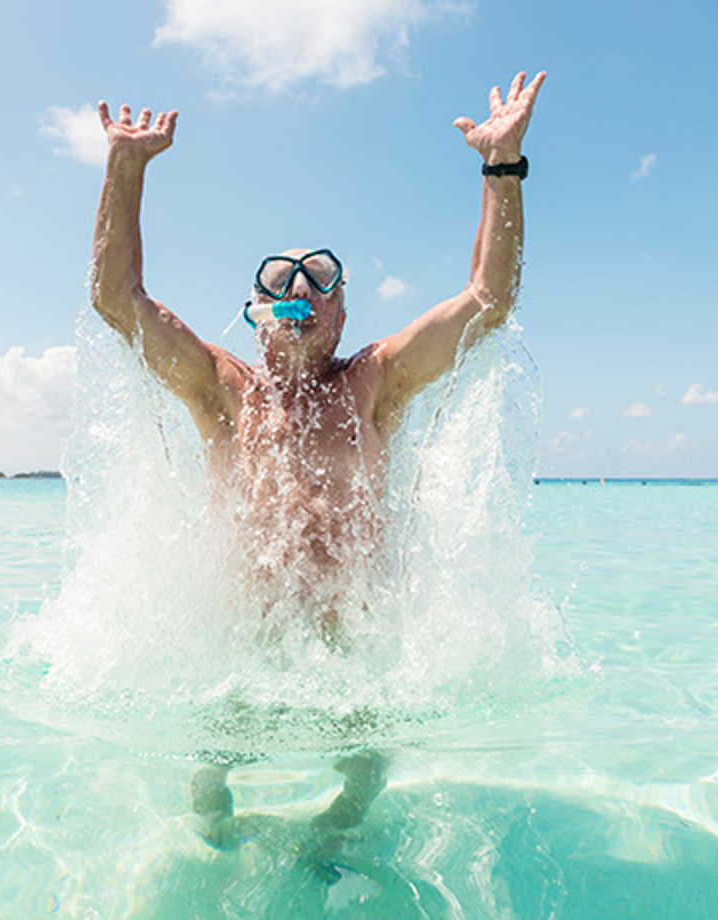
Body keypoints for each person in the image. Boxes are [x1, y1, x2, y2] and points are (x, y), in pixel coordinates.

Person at [91, 70, 546, 852]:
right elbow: (116, 301)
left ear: (339, 310)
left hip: (353, 655)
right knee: (210, 780)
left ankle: (334, 832)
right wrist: (124, 169)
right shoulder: (221, 390)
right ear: (258, 312)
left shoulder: (377, 382)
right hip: (247, 649)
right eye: (278, 279)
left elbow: (486, 301)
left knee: (364, 771)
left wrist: (500, 168)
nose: (299, 286)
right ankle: (212, 829)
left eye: (319, 277)